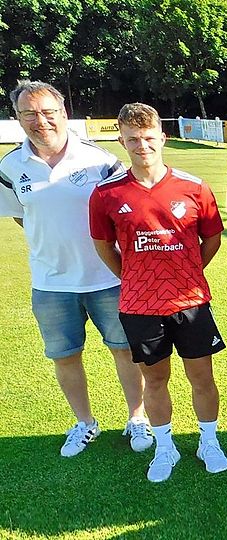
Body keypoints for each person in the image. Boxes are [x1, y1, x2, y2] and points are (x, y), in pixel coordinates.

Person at [0, 80, 152, 457]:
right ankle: (85, 423)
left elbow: (123, 215)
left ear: (64, 113)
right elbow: (24, 218)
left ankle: (138, 418)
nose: (41, 121)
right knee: (65, 357)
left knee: (125, 351)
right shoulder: (9, 167)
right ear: (18, 118)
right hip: (51, 284)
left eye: (49, 112)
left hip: (107, 278)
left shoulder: (100, 161)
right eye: (30, 114)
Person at [89, 103, 227, 482]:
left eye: (148, 138)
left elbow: (212, 238)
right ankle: (165, 447)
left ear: (162, 138)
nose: (142, 145)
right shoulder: (107, 194)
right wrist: (132, 276)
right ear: (121, 141)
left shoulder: (193, 186)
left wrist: (188, 270)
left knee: (202, 378)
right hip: (140, 305)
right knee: (155, 379)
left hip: (190, 301)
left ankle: (208, 441)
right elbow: (103, 245)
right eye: (132, 139)